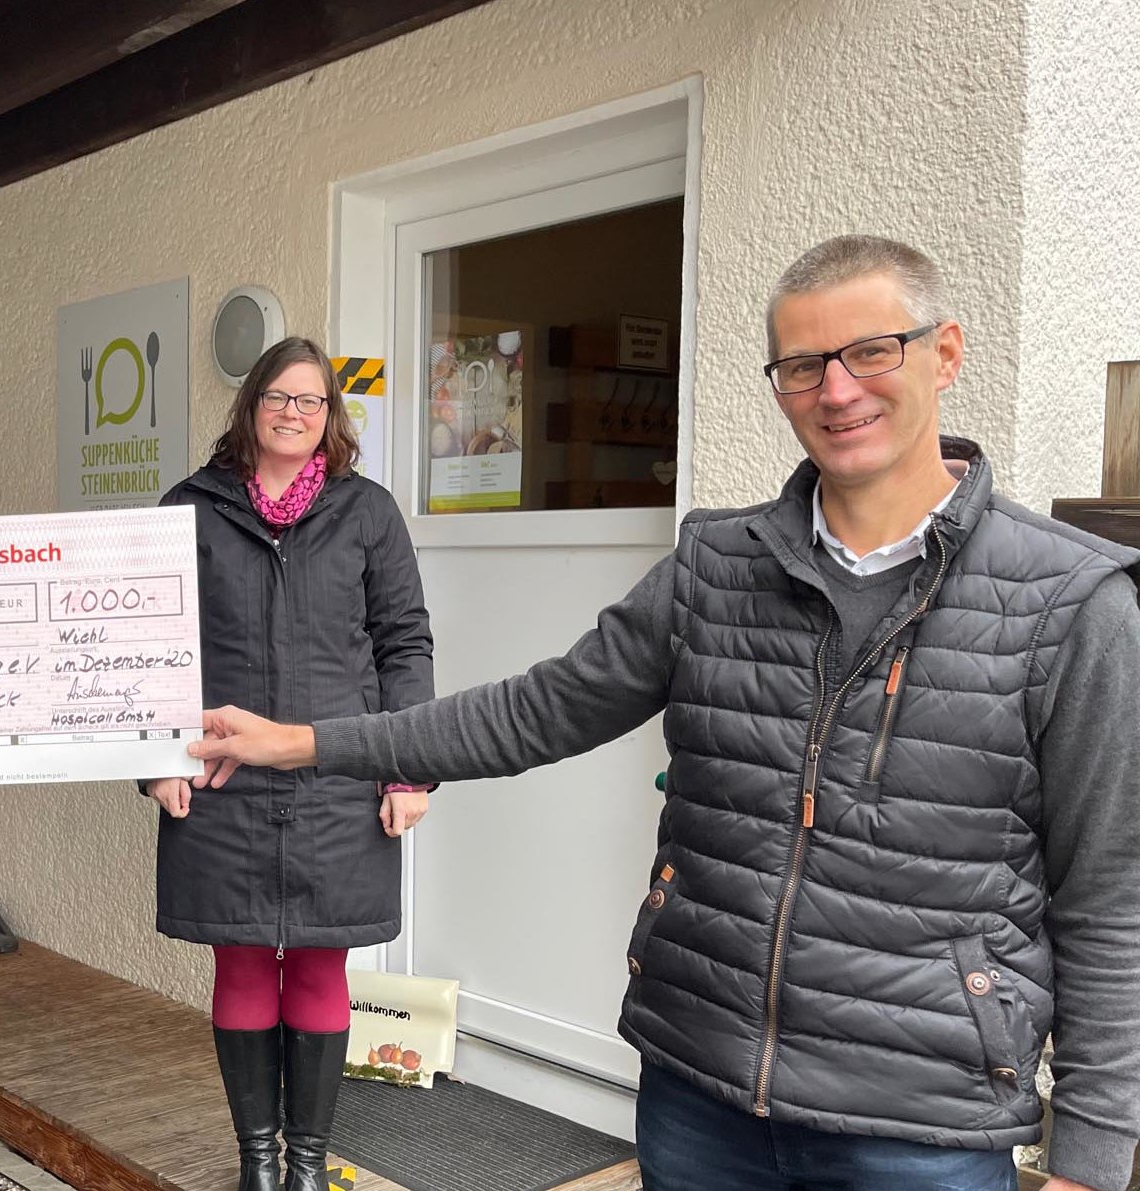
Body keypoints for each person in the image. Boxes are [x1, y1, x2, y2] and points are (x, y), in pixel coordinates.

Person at [188, 237, 1140, 1191]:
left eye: (870, 351)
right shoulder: (715, 568)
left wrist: (1091, 1156)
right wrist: (302, 743)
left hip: (921, 1128)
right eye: (804, 365)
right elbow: (536, 711)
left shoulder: (1069, 603)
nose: (838, 390)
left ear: (945, 353)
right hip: (700, 1091)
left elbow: (1109, 899)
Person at [147, 336, 434, 1191]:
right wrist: (156, 760)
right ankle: (259, 1165)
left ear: (329, 415)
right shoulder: (189, 508)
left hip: (338, 779)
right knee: (239, 960)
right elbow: (149, 647)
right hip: (220, 782)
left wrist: (408, 769)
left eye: (312, 400)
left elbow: (404, 643)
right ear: (251, 404)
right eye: (279, 395)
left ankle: (306, 1166)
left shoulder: (368, 512)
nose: (294, 413)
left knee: (319, 960)